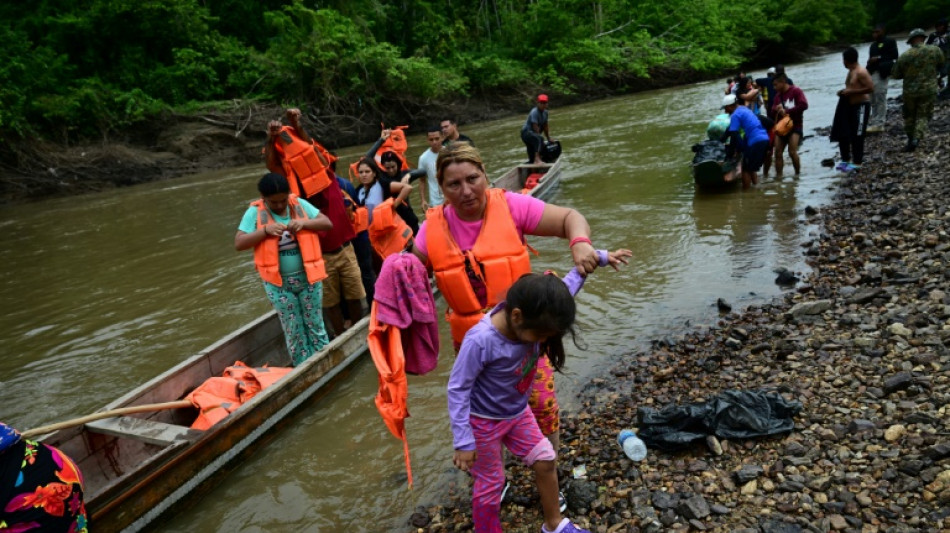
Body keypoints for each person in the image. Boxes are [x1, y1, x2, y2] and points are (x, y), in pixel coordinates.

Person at [412, 142, 604, 464]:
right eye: (453, 184)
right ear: (441, 188)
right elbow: (410, 276)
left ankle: (550, 462)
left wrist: (581, 243)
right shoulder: (431, 229)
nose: (466, 191)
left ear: (486, 174)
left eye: (473, 178)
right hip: (474, 345)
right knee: (482, 415)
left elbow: (570, 218)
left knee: (542, 403)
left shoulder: (512, 206)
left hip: (524, 336)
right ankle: (490, 472)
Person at [448, 254, 629, 533]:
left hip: (517, 413)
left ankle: (554, 524)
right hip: (483, 422)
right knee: (491, 483)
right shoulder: (481, 340)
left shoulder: (538, 311)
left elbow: (568, 285)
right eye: (541, 336)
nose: (544, 342)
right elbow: (458, 389)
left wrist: (599, 258)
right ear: (517, 316)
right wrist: (463, 440)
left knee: (545, 459)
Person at [235, 173, 333, 365]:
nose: (280, 206)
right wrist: (264, 231)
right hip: (278, 284)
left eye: (283, 200)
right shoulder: (254, 213)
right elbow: (239, 243)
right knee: (293, 329)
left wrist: (303, 223)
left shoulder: (299, 205)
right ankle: (302, 366)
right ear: (263, 198)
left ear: (289, 194)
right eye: (274, 202)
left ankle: (325, 361)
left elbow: (327, 223)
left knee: (315, 324)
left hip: (308, 279)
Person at [363, 129, 426, 235]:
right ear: (383, 167)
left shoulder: (405, 174)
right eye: (387, 168)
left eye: (393, 167)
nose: (391, 170)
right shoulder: (381, 176)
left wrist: (410, 175)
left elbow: (423, 171)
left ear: (398, 165)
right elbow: (366, 159)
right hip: (393, 219)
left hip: (408, 217)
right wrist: (381, 140)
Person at [892, 28, 946, 152]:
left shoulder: (905, 56)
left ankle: (910, 139)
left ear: (911, 40)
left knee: (909, 116)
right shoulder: (935, 50)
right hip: (929, 89)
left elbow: (895, 74)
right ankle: (917, 138)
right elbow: (942, 66)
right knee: (923, 115)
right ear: (923, 38)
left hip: (910, 91)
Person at [334, 164, 376, 303]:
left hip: (356, 234)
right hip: (352, 235)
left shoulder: (342, 185)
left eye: (367, 171)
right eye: (361, 172)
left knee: (365, 270)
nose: (364, 175)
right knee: (362, 272)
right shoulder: (348, 185)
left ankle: (373, 305)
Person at [833, 47, 874, 171]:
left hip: (861, 105)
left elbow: (871, 88)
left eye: (843, 60)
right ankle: (846, 160)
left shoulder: (861, 71)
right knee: (845, 132)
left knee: (858, 134)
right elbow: (851, 87)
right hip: (850, 106)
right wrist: (844, 92)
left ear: (846, 60)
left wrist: (852, 91)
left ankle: (858, 162)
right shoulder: (851, 71)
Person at [721, 94, 769, 188]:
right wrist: (722, 140)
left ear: (731, 106)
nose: (726, 111)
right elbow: (730, 130)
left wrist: (731, 153)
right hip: (764, 139)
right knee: (750, 167)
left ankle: (746, 194)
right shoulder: (744, 110)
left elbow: (734, 135)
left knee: (745, 169)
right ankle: (756, 187)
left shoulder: (735, 115)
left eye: (726, 108)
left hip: (755, 141)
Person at [771, 72, 808, 177]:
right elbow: (772, 110)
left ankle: (797, 175)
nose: (774, 88)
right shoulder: (778, 96)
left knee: (792, 152)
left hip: (795, 125)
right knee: (777, 153)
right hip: (782, 127)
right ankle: (779, 178)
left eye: (775, 85)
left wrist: (788, 111)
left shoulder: (796, 91)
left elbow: (804, 105)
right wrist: (776, 109)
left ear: (783, 82)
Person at [866, 24, 899, 133]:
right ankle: (875, 120)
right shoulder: (873, 46)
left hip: (883, 72)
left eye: (877, 32)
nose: (875, 34)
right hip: (872, 72)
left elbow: (895, 55)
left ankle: (880, 123)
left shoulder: (890, 41)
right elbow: (870, 60)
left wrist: (879, 58)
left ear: (883, 31)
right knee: (872, 98)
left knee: (880, 95)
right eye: (874, 32)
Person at [417, 125, 444, 211]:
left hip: (452, 197)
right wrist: (423, 200)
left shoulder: (450, 153)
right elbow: (422, 180)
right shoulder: (423, 158)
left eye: (437, 138)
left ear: (442, 137)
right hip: (435, 201)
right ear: (427, 140)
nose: (434, 142)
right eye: (431, 140)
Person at [521, 94, 552, 164]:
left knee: (531, 155)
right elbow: (535, 126)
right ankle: (537, 159)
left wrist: (548, 138)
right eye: (541, 103)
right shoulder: (534, 112)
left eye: (544, 103)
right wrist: (540, 139)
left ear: (547, 104)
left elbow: (545, 126)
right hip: (526, 133)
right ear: (538, 103)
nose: (543, 105)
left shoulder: (545, 113)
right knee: (539, 139)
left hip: (532, 135)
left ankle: (533, 163)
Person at [926, 18, 950, 99]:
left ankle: (946, 91)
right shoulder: (933, 35)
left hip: (948, 58)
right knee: (937, 75)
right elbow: (927, 46)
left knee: (945, 73)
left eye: (941, 26)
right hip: (936, 59)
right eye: (938, 26)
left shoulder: (949, 34)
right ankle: (939, 89)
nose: (939, 28)